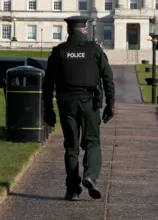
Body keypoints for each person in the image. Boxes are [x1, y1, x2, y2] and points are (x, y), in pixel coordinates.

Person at [42, 15, 115, 201]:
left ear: (68, 30)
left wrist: (48, 109)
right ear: (84, 30)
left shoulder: (59, 51)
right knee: (92, 142)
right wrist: (110, 104)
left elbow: (48, 83)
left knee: (71, 147)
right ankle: (90, 175)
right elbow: (107, 78)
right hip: (89, 103)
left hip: (66, 103)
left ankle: (73, 188)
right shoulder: (95, 50)